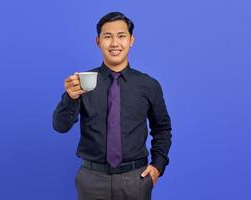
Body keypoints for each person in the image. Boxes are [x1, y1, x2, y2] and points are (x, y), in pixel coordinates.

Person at [53, 11, 172, 200]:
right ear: (98, 41)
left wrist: (158, 165)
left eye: (121, 36)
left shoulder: (148, 85)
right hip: (92, 179)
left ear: (131, 40)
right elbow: (60, 126)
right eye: (107, 36)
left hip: (135, 179)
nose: (115, 43)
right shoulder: (82, 82)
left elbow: (162, 128)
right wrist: (70, 97)